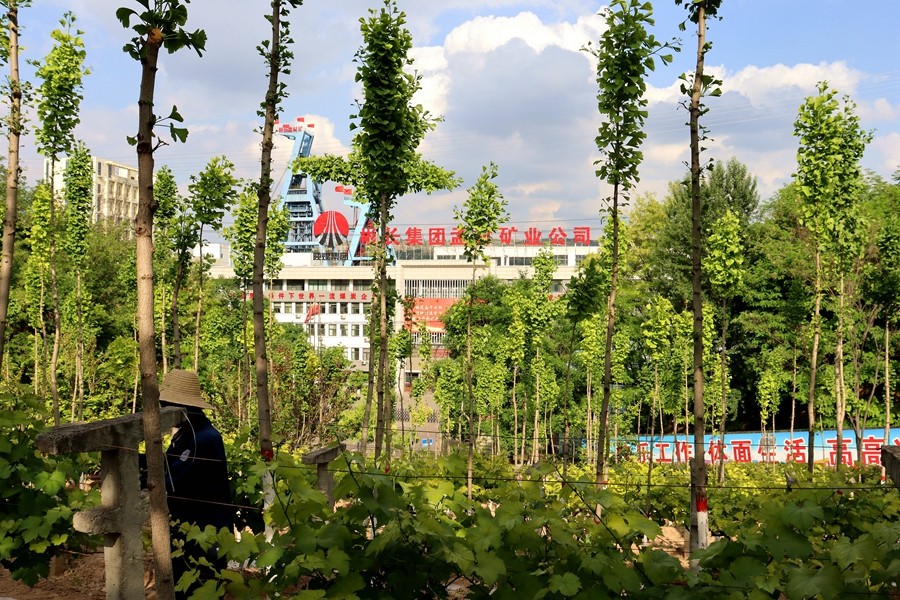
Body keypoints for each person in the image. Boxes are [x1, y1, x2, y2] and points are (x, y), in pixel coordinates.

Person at [157, 369, 235, 598]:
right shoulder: (187, 434)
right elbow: (169, 465)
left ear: (182, 407)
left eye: (165, 405)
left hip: (206, 531)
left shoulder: (204, 439)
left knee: (201, 587)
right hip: (189, 528)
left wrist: (144, 482)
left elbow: (176, 480)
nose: (163, 410)